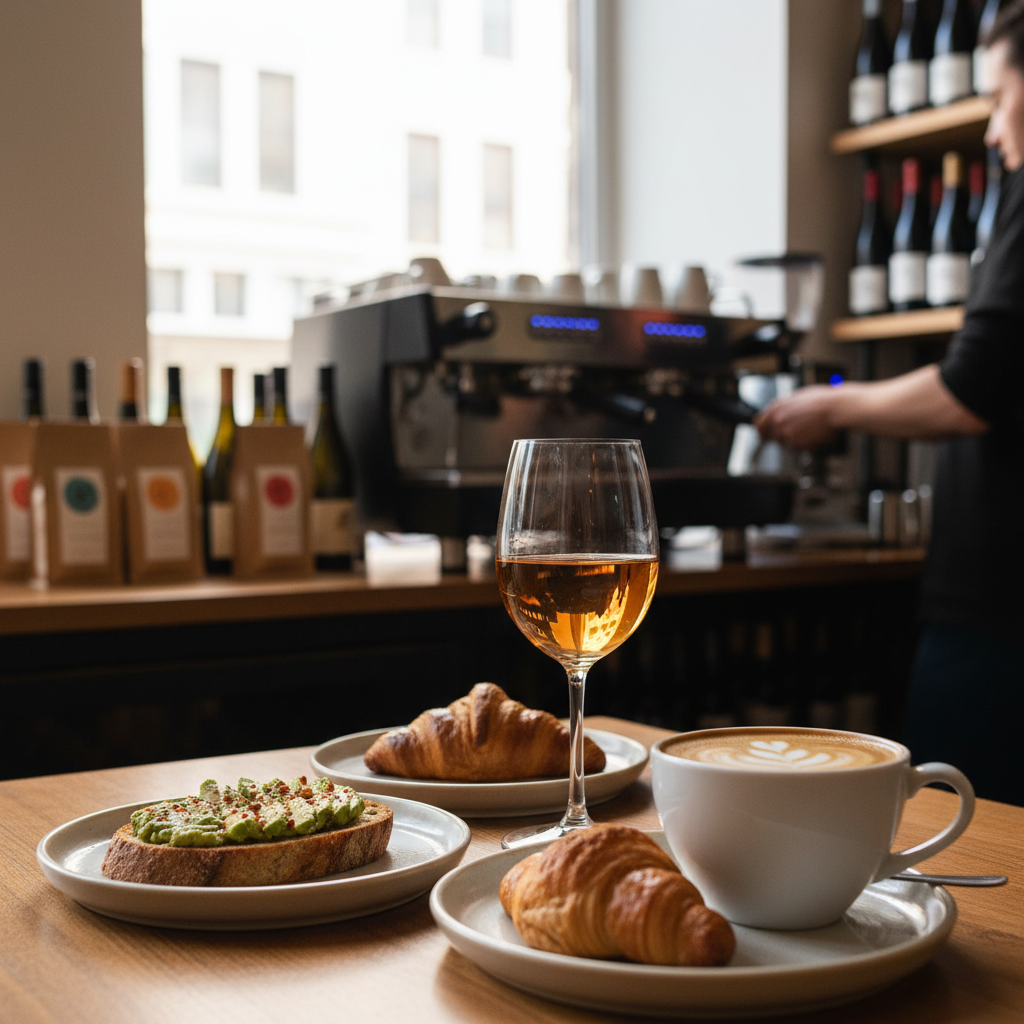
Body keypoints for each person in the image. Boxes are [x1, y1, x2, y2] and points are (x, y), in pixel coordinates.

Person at [754, 4, 1024, 806]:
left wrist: (833, 407)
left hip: (1000, 609)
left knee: (961, 831)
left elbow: (971, 389)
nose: (992, 132)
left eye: (1000, 99)